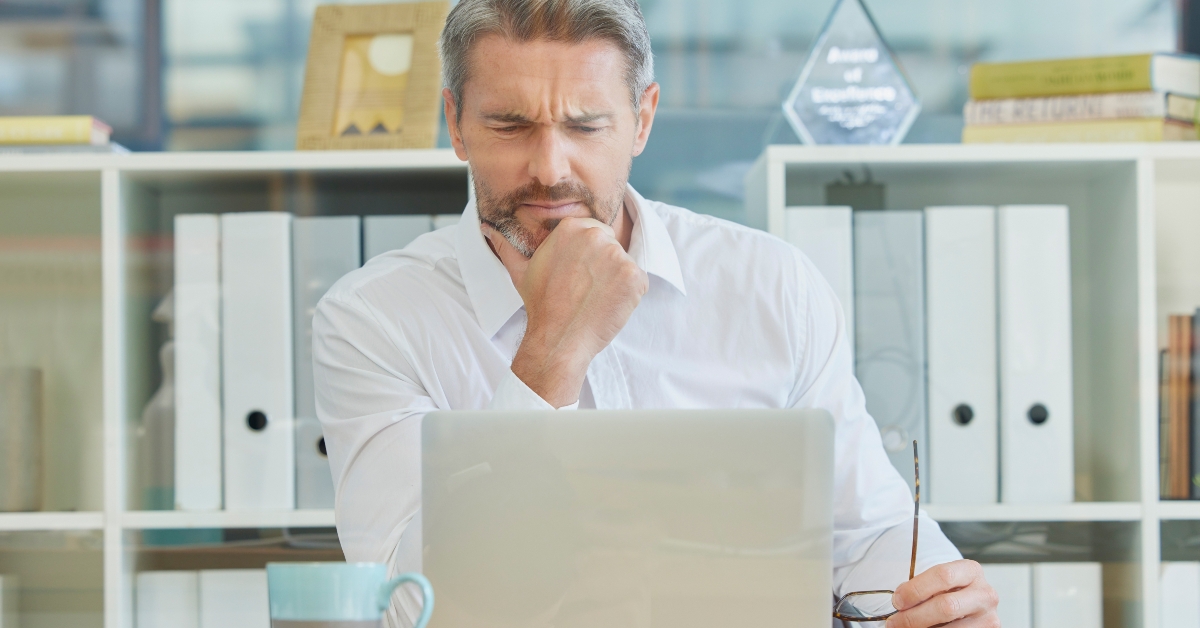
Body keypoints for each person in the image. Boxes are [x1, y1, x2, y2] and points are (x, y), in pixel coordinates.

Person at [312, 1, 1000, 626]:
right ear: (456, 124)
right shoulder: (375, 319)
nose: (550, 168)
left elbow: (865, 528)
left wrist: (934, 595)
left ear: (642, 120)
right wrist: (553, 348)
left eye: (586, 125)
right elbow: (408, 604)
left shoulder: (770, 284)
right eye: (509, 124)